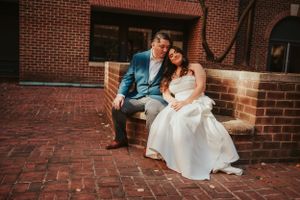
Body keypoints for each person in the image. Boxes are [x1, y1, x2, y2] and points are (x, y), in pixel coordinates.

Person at [145, 46, 243, 180]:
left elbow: (201, 87)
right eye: (170, 56)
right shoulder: (170, 74)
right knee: (164, 118)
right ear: (170, 61)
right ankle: (173, 155)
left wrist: (186, 102)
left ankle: (189, 160)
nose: (174, 55)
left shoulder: (195, 66)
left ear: (182, 52)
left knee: (182, 119)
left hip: (195, 100)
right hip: (177, 102)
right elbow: (165, 93)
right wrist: (173, 102)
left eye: (176, 52)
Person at [106, 32, 172, 150]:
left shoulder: (170, 61)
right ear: (153, 44)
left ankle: (152, 147)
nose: (165, 50)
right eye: (162, 46)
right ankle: (120, 139)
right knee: (117, 107)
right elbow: (128, 78)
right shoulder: (139, 58)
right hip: (139, 96)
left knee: (152, 110)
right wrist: (120, 95)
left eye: (168, 47)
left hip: (157, 97)